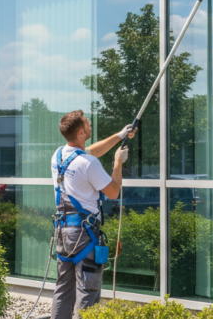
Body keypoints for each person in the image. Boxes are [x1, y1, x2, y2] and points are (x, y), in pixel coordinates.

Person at [50, 110, 134, 319]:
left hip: (63, 233)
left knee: (63, 291)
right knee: (87, 292)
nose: (90, 126)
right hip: (84, 236)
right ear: (80, 132)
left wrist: (119, 136)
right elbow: (113, 192)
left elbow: (89, 152)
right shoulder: (88, 164)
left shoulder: (59, 155)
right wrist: (118, 162)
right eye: (87, 124)